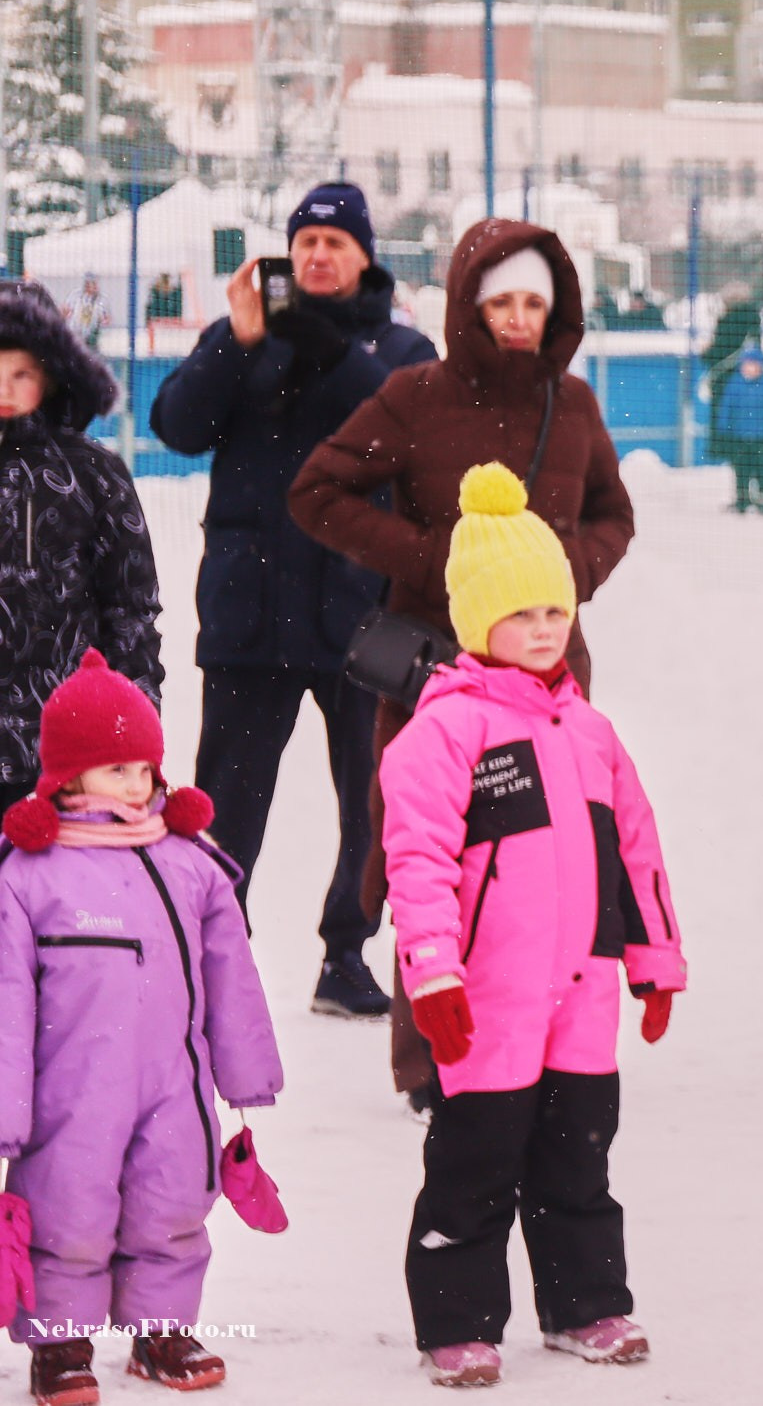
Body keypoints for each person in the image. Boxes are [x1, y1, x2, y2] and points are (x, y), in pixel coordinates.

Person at [291, 220, 637, 1108]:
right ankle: (429, 1060)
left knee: (545, 858)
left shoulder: (578, 406)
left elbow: (613, 516)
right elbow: (316, 491)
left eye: (534, 302)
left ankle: (546, 1039)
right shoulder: (416, 396)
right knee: (434, 861)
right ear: (469, 306)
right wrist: (430, 559)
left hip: (551, 680)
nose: (518, 319)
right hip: (434, 677)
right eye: (502, 301)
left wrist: (568, 574)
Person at [382, 465, 685, 1388]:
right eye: (522, 614)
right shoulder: (444, 734)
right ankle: (458, 1322)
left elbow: (639, 849)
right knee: (475, 1162)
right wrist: (432, 975)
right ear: (479, 624)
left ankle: (585, 1303)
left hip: (584, 995)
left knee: (577, 1157)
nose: (546, 627)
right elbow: (419, 863)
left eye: (555, 610)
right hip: (490, 997)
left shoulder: (589, 732)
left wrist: (656, 957)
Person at [150, 181, 439, 1019]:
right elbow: (175, 424)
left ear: (364, 257)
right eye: (304, 243)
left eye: (335, 244)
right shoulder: (241, 335)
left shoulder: (402, 347)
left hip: (368, 615)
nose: (317, 256)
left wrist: (326, 349)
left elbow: (400, 434)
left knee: (376, 796)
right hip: (250, 612)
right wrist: (236, 344)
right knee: (224, 799)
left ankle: (345, 953)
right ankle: (211, 954)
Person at [0, 652, 283, 1402]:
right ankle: (60, 1345)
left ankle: (161, 1330)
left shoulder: (189, 862)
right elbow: (5, 1002)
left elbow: (231, 972)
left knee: (172, 1203)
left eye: (146, 768)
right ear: (67, 777)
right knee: (69, 1209)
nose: (137, 784)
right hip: (71, 1092)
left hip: (172, 1085)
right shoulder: (29, 874)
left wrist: (247, 1073)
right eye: (116, 768)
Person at [0, 285, 161, 815]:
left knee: (58, 891)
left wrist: (133, 718)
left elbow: (130, 605)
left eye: (21, 373)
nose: (5, 387)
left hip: (66, 744)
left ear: (51, 374)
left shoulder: (93, 472)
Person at [709, 347, 763, 514]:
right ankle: (742, 499)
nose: (749, 368)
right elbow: (727, 407)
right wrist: (724, 426)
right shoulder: (735, 385)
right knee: (741, 469)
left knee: (762, 469)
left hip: (760, 438)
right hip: (740, 436)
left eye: (753, 365)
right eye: (746, 364)